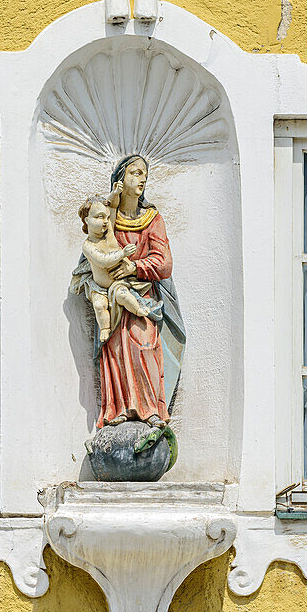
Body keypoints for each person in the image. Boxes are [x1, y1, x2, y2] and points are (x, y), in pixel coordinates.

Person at [70, 155, 186, 428]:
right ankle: (119, 409)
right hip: (113, 300)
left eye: (144, 174)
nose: (142, 179)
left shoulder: (152, 219)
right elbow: (92, 254)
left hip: (143, 296)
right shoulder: (106, 220)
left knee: (145, 346)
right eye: (135, 173)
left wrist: (134, 267)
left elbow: (164, 262)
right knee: (117, 354)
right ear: (121, 180)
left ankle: (152, 409)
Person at [76, 180, 154, 342]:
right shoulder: (88, 246)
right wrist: (122, 253)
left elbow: (112, 206)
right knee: (99, 306)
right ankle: (105, 328)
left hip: (117, 284)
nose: (105, 221)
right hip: (98, 287)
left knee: (124, 296)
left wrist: (115, 193)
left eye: (106, 217)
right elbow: (103, 261)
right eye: (99, 217)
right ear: (87, 221)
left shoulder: (109, 231)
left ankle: (138, 309)